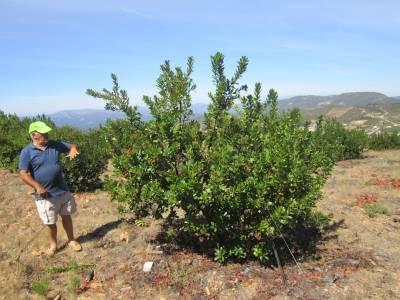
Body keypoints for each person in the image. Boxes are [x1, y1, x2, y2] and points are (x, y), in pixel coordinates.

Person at [19, 121, 82, 256]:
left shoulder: (54, 144)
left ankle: (71, 240)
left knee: (66, 216)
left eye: (47, 132)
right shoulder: (27, 152)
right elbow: (23, 174)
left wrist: (72, 149)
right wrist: (37, 186)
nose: (47, 135)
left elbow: (72, 145)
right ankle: (53, 245)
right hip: (45, 195)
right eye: (43, 133)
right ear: (34, 136)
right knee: (51, 222)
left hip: (62, 190)